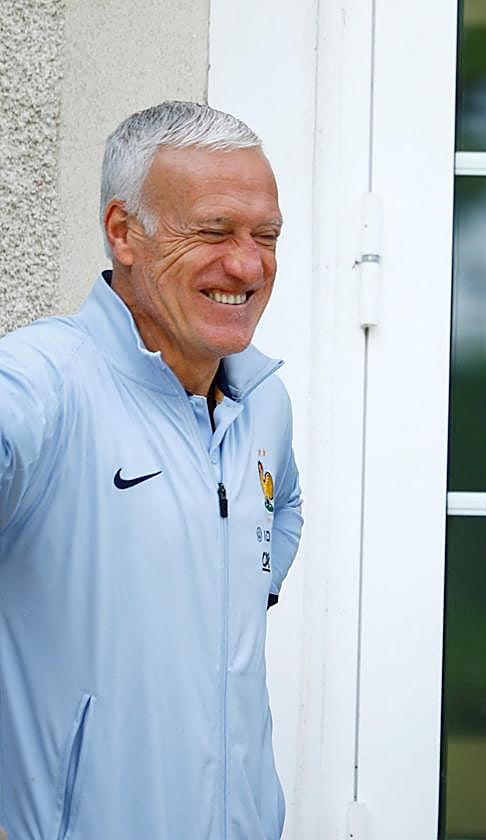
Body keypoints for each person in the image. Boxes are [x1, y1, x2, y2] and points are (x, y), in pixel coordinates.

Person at [0, 102, 302, 839]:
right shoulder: (42, 382)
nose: (248, 264)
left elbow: (283, 508)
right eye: (213, 231)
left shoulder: (262, 399)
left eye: (266, 236)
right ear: (122, 232)